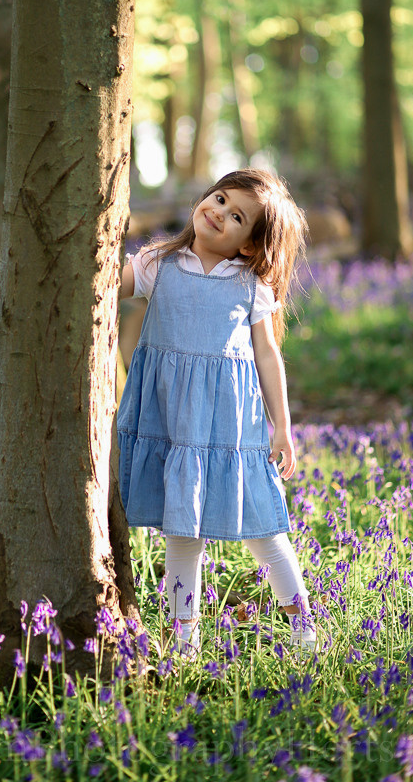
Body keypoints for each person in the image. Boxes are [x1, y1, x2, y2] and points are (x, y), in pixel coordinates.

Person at [118, 168, 316, 655]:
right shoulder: (156, 264)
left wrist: (283, 428)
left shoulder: (250, 286)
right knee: (182, 534)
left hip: (231, 432)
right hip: (171, 424)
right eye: (220, 197)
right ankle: (183, 641)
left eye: (236, 216)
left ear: (249, 245)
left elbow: (268, 356)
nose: (218, 212)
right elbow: (100, 289)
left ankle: (305, 629)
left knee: (264, 529)